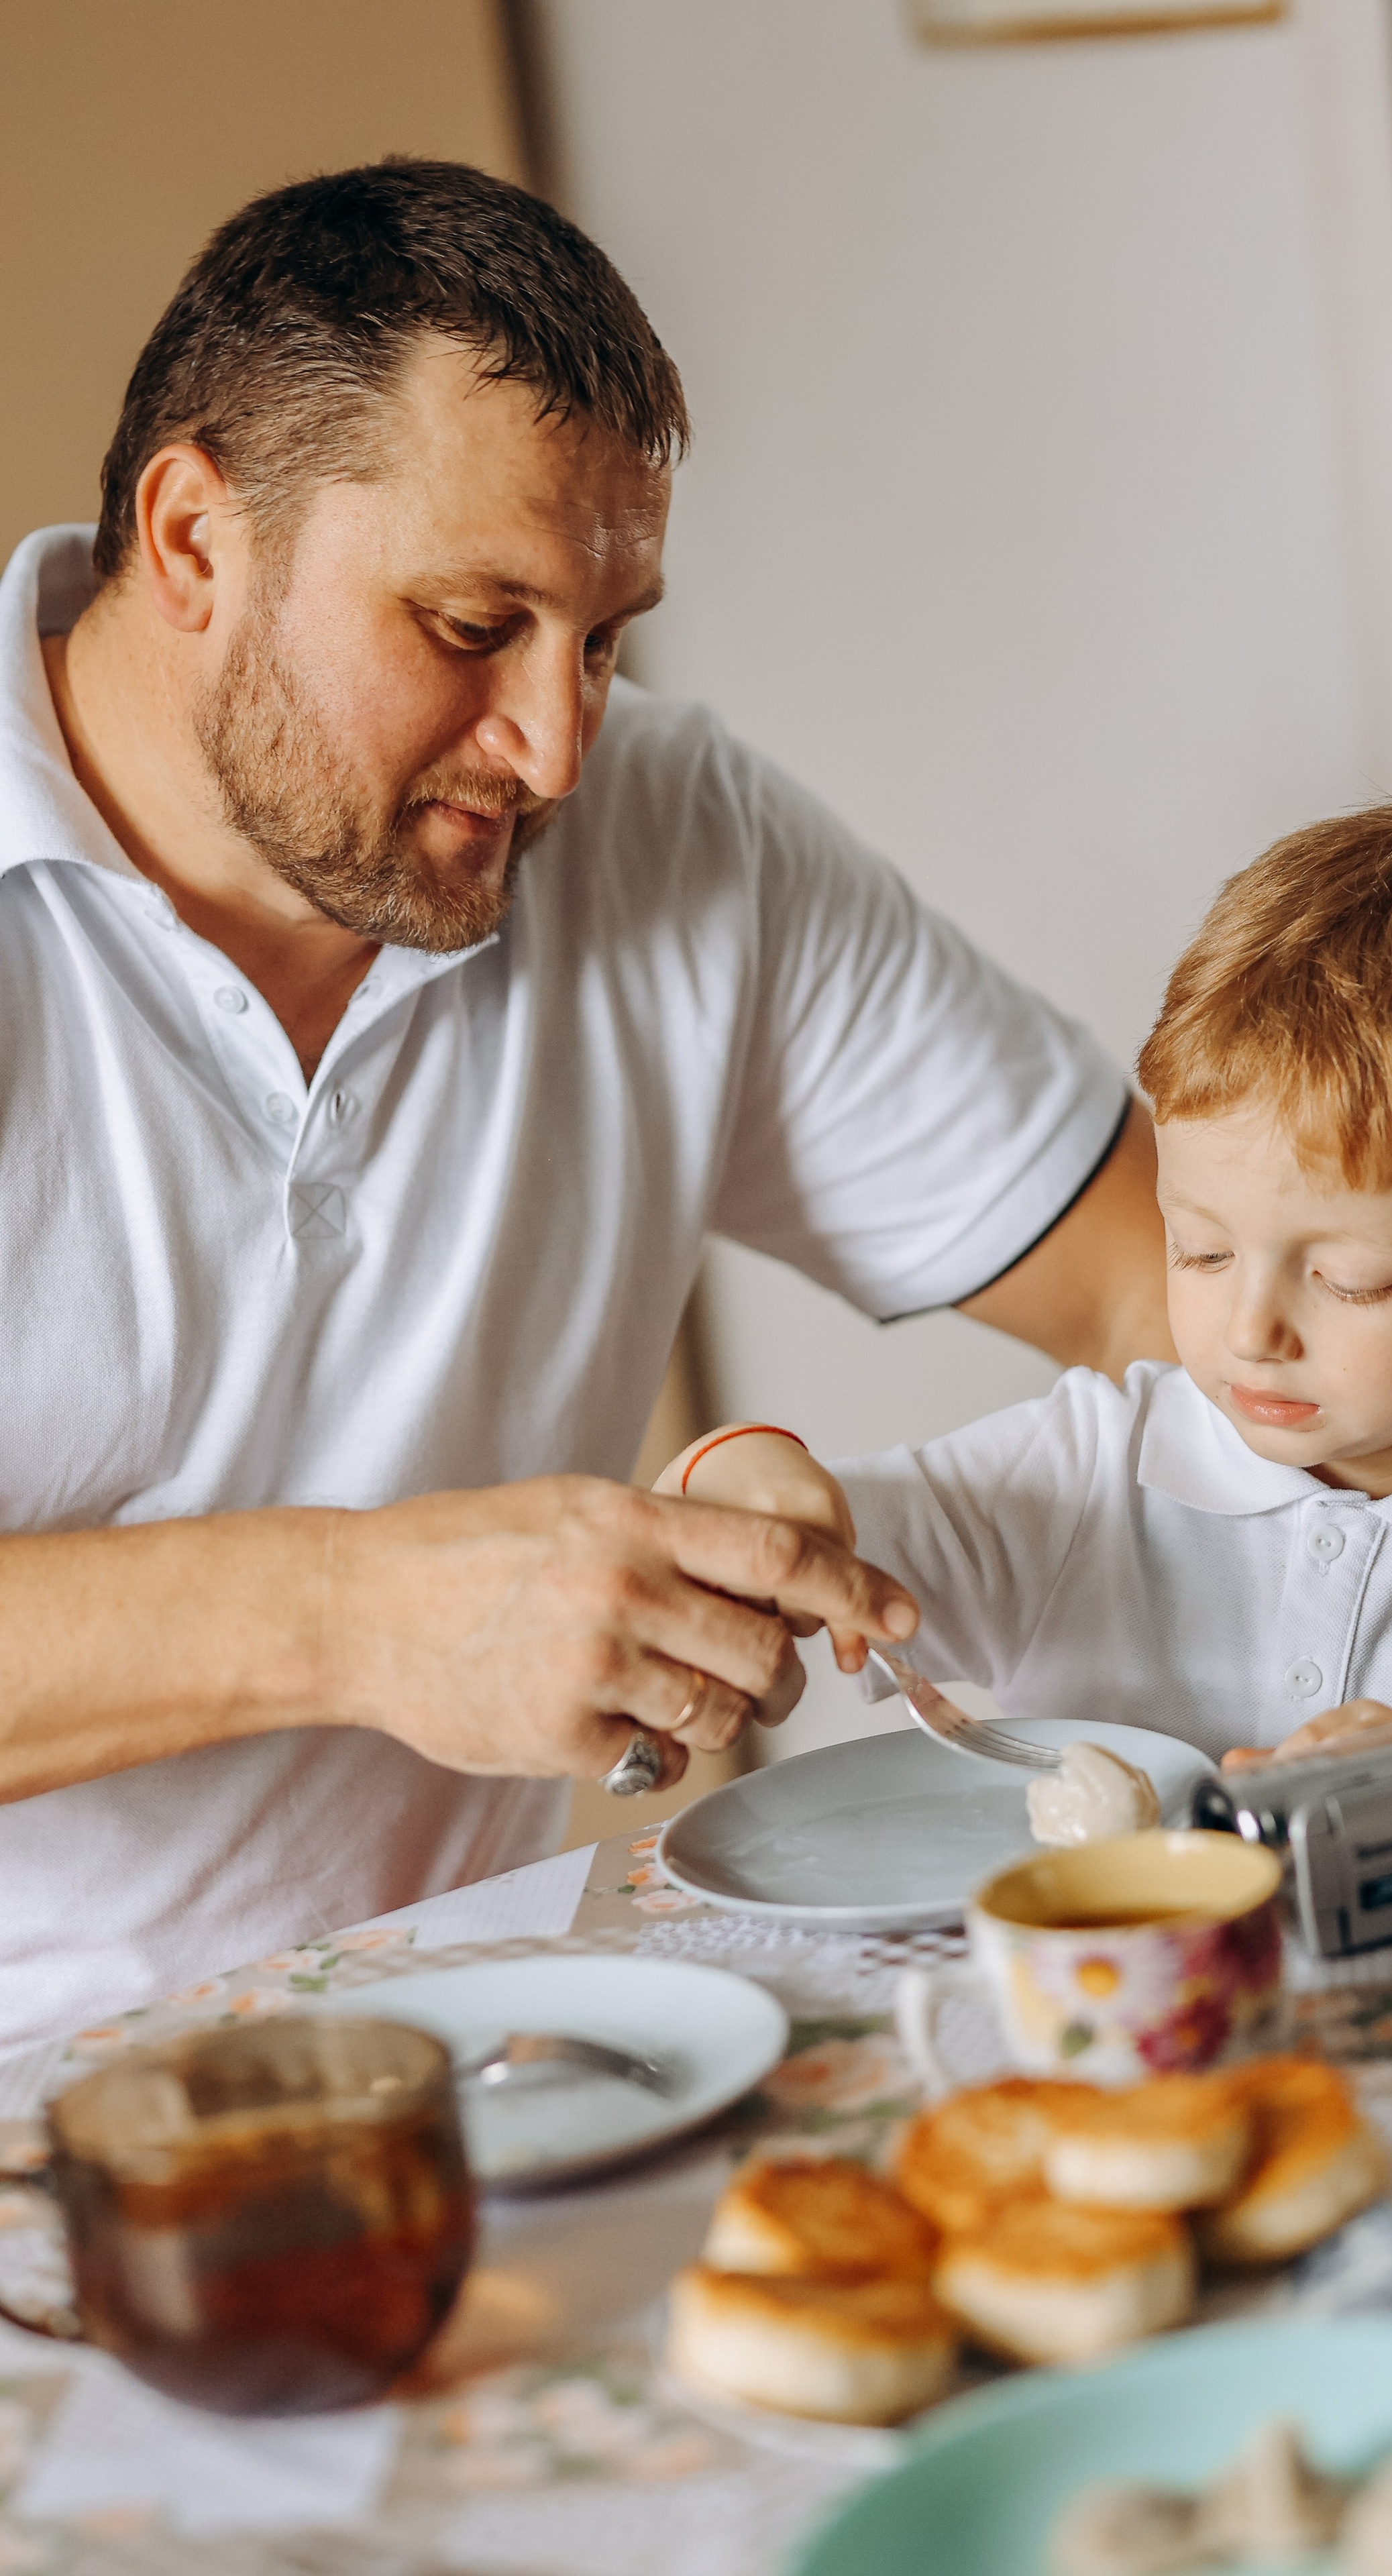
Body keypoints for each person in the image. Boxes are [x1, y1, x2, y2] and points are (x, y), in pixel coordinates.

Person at [0, 161, 1172, 2048]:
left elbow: (1176, 1296)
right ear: (196, 536)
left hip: (487, 2073)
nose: (555, 748)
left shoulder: (673, 836)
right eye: (472, 627)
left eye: (606, 640)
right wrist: (359, 1613)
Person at [665, 801, 1392, 1849]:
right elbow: (811, 1533)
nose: (1252, 1329)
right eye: (1201, 1251)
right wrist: (742, 1476)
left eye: (1349, 1281)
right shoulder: (1088, 1472)